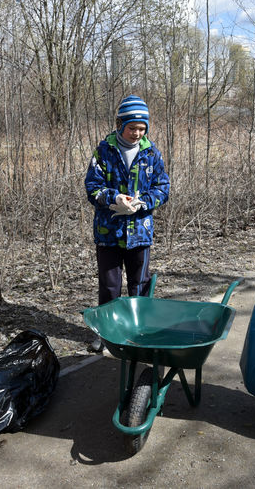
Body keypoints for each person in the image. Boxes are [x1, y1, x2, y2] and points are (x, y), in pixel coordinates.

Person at [84, 95, 170, 350]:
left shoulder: (151, 152)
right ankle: (105, 334)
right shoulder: (103, 151)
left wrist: (143, 202)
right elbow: (92, 186)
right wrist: (113, 198)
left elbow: (163, 188)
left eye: (142, 128)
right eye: (132, 128)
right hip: (108, 231)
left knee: (140, 285)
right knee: (110, 286)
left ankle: (139, 331)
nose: (137, 133)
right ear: (120, 124)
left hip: (140, 232)